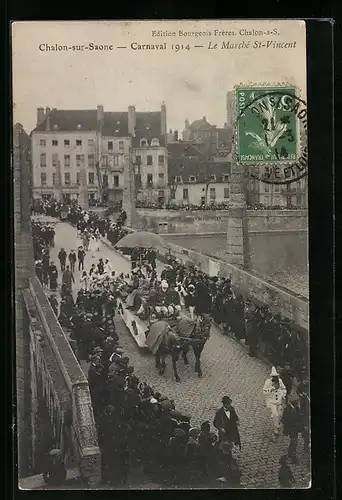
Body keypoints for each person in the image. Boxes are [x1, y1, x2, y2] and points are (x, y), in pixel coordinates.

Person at [263, 366, 287, 438]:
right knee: (275, 415)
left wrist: (283, 395)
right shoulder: (267, 382)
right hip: (272, 401)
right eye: (274, 377)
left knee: (279, 415)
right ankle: (276, 429)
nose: (275, 378)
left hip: (279, 401)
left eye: (276, 376)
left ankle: (277, 424)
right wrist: (271, 389)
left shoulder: (280, 381)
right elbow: (264, 392)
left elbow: (284, 388)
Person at [281, 393, 303, 464]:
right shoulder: (287, 410)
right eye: (296, 402)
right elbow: (283, 420)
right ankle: (293, 456)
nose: (297, 403)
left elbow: (299, 418)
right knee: (294, 442)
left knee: (293, 442)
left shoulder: (297, 408)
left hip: (295, 429)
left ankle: (291, 454)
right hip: (291, 430)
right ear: (292, 402)